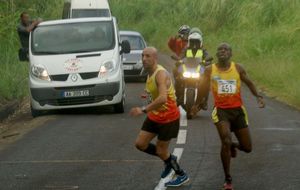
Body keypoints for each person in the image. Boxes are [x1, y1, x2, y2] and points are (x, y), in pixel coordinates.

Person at [191, 43, 265, 190]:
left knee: (247, 147)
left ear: (231, 54)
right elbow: (202, 87)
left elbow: (249, 83)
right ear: (217, 54)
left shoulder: (238, 68)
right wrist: (197, 103)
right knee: (225, 139)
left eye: (225, 49)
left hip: (237, 111)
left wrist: (258, 96)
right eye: (219, 49)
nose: (222, 51)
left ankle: (233, 145)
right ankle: (228, 178)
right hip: (221, 111)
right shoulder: (209, 70)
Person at [130, 47, 189, 187]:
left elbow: (163, 98)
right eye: (142, 56)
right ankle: (169, 159)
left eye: (148, 56)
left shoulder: (160, 74)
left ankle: (181, 174)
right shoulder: (149, 73)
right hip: (155, 116)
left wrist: (143, 109)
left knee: (160, 150)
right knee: (140, 144)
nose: (144, 59)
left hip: (168, 117)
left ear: (155, 58)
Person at [176, 27, 212, 110]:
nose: (194, 43)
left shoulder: (203, 49)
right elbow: (181, 56)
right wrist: (179, 61)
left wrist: (206, 61)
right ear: (189, 40)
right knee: (178, 78)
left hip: (199, 70)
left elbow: (208, 56)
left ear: (200, 41)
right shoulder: (186, 49)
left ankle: (204, 101)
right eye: (192, 41)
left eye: (196, 41)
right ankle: (178, 97)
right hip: (187, 69)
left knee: (206, 82)